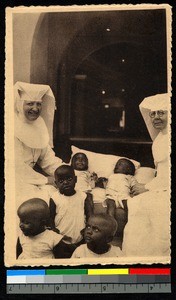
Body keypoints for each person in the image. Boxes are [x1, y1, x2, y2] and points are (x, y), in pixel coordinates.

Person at [122, 93, 170, 258]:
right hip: (161, 186)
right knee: (138, 207)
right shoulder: (160, 139)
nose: (156, 117)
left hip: (165, 189)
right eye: (153, 113)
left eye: (161, 113)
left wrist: (147, 187)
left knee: (152, 210)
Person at [14, 82, 63, 205]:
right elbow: (17, 167)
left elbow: (49, 160)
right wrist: (46, 180)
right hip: (15, 179)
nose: (35, 109)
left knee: (59, 197)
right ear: (20, 105)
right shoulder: (11, 126)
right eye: (30, 103)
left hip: (32, 180)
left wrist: (67, 173)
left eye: (39, 104)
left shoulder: (39, 125)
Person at [49, 165, 94, 258]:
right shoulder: (54, 198)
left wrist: (87, 229)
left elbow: (89, 215)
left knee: (80, 257)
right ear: (55, 183)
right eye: (61, 181)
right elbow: (50, 217)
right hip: (61, 238)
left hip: (80, 235)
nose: (65, 182)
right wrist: (54, 232)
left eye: (69, 179)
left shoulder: (82, 196)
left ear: (76, 179)